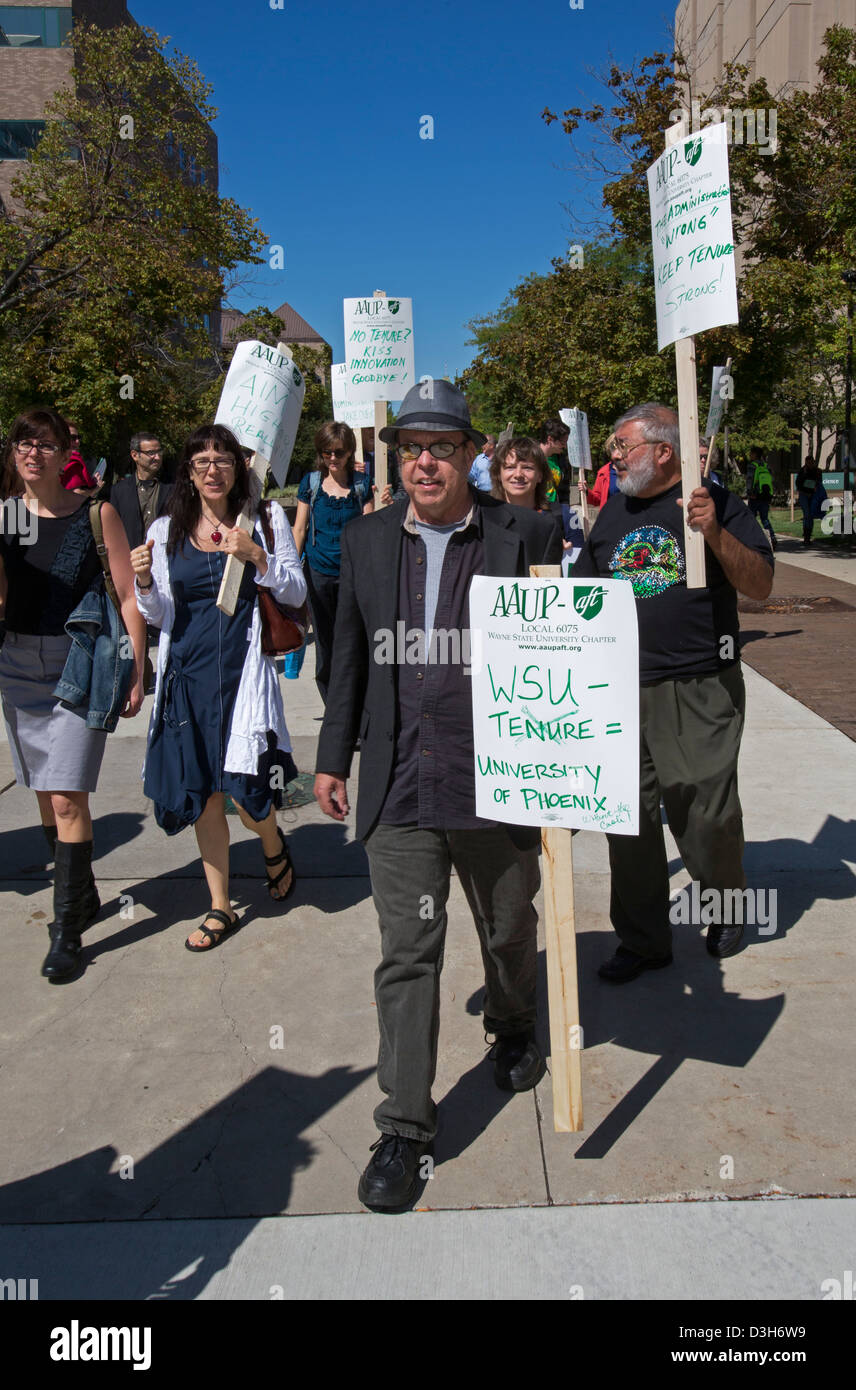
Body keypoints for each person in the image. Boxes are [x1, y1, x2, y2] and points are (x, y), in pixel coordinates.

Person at [314, 379, 562, 1211]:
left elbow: (569, 644)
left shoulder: (525, 532)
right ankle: (404, 1127)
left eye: (442, 447)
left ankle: (515, 1023)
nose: (424, 461)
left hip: (496, 777)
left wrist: (569, 756)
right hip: (399, 779)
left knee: (509, 926)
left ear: (471, 453)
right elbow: (345, 653)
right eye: (411, 447)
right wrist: (332, 755)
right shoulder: (365, 539)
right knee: (407, 956)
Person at [572, 403, 774, 981]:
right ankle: (642, 938)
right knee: (627, 817)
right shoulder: (613, 511)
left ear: (664, 451)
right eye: (612, 446)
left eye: (623, 446)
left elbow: (760, 585)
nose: (614, 456)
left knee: (704, 809)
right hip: (619, 686)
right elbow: (585, 591)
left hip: (697, 684)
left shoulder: (714, 501)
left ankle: (726, 905)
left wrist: (711, 531)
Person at [130, 424, 306, 952]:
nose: (212, 469)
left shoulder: (267, 518)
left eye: (222, 459)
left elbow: (295, 591)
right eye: (201, 460)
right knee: (205, 794)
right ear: (187, 471)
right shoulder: (166, 530)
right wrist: (142, 583)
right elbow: (160, 611)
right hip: (189, 677)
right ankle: (220, 905)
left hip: (243, 676)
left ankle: (272, 843)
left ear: (238, 467)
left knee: (250, 796)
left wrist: (256, 556)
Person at [0, 408, 146, 981]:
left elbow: (128, 596)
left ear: (66, 454)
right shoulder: (7, 517)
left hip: (79, 666)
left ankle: (66, 929)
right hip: (16, 664)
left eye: (43, 444)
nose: (30, 453)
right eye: (21, 443)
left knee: (67, 799)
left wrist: (136, 668)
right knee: (43, 790)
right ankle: (81, 893)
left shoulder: (96, 514)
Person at [292, 422, 373, 704]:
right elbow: (299, 529)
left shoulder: (361, 485)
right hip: (318, 574)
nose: (333, 459)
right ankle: (334, 708)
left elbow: (369, 530)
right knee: (326, 644)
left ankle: (357, 704)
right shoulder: (311, 484)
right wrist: (290, 571)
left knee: (353, 641)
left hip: (352, 576)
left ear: (350, 452)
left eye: (339, 452)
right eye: (327, 453)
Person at [111, 433, 173, 550]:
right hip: (131, 560)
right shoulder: (119, 491)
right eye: (151, 453)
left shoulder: (173, 486)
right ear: (135, 455)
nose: (157, 457)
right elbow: (113, 530)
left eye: (159, 452)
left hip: (164, 558)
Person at [490, 435, 552, 511]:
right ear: (498, 474)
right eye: (510, 467)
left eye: (527, 468)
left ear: (540, 475)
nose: (518, 474)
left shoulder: (562, 517)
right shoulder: (483, 517)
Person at [747, 445, 776, 550]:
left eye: (751, 453)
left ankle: (752, 540)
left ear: (755, 454)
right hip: (765, 496)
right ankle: (772, 537)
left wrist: (749, 493)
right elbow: (771, 480)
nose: (750, 455)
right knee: (765, 518)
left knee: (751, 518)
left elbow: (750, 480)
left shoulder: (752, 466)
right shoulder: (766, 466)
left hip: (755, 496)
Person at [540, 418, 571, 504]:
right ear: (550, 439)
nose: (565, 446)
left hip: (556, 509)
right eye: (562, 443)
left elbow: (565, 490)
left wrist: (565, 509)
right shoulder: (530, 458)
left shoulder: (562, 460)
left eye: (566, 443)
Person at [795, 454, 822, 545]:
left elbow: (818, 483)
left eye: (811, 462)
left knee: (811, 515)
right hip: (804, 495)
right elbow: (798, 484)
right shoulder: (802, 471)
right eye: (808, 462)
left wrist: (813, 487)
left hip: (813, 495)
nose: (810, 464)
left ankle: (808, 535)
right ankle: (806, 537)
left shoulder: (817, 471)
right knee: (807, 514)